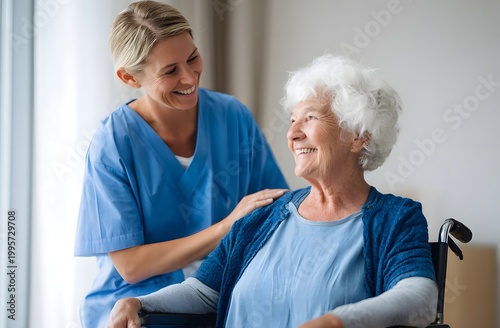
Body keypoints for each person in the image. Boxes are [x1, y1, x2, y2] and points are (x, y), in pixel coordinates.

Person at [106, 54, 438, 328]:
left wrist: (339, 322)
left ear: (358, 136)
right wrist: (137, 302)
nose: (292, 133)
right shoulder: (265, 212)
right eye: (293, 120)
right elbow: (205, 292)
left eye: (309, 118)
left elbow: (419, 297)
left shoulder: (395, 218)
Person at [73, 1, 289, 327]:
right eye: (170, 70)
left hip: (218, 294)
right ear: (130, 77)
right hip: (134, 305)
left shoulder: (233, 117)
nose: (190, 77)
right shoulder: (113, 144)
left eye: (192, 58)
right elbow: (131, 266)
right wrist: (224, 228)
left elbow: (274, 209)